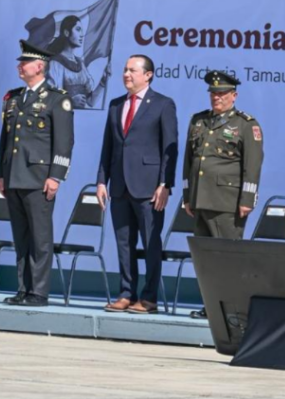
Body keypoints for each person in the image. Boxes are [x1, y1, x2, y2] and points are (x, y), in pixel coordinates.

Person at [96, 55, 178, 315]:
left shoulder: (163, 104)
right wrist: (101, 180)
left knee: (151, 243)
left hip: (148, 188)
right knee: (123, 243)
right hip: (119, 186)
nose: (126, 74)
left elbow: (170, 148)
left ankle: (149, 297)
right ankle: (126, 293)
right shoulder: (115, 104)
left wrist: (165, 184)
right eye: (125, 70)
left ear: (148, 75)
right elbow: (107, 147)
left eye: (132, 70)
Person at [0, 40, 75, 307]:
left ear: (39, 66)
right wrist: (1, 173)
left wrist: (56, 176)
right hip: (14, 175)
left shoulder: (57, 99)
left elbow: (64, 142)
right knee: (21, 237)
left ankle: (38, 292)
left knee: (40, 238)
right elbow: (5, 140)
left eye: (25, 62)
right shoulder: (14, 97)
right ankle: (23, 288)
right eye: (20, 62)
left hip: (39, 177)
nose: (20, 66)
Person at [183, 70, 264, 319]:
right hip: (200, 199)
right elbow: (189, 161)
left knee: (228, 258)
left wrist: (247, 200)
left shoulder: (245, 124)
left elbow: (253, 165)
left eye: (222, 93)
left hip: (226, 203)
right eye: (213, 93)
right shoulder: (199, 121)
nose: (216, 98)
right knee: (206, 260)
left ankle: (234, 307)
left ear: (234, 96)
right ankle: (212, 307)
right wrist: (187, 196)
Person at [46, 15, 109, 109]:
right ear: (66, 32)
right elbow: (50, 100)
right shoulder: (55, 63)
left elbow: (91, 102)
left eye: (82, 31)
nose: (81, 35)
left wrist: (103, 81)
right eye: (78, 29)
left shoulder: (80, 63)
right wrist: (70, 101)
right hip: (62, 119)